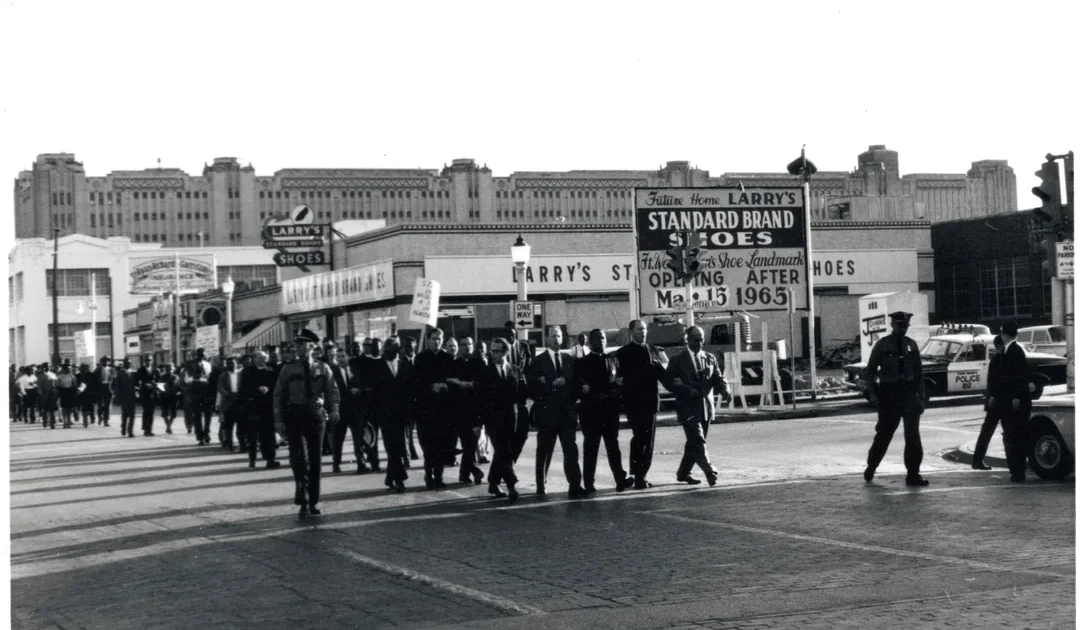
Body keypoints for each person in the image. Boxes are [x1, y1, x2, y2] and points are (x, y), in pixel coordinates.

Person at [273, 329, 340, 517]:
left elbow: (332, 391)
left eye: (302, 344)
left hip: (315, 415)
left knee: (315, 459)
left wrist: (334, 409)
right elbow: (278, 395)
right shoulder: (288, 369)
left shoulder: (322, 368)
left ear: (311, 346)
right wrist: (278, 421)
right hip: (295, 414)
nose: (298, 347)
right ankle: (301, 494)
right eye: (297, 344)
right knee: (298, 457)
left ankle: (313, 501)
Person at [861, 311, 929, 486]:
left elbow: (919, 374)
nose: (902, 329)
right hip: (889, 396)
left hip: (908, 395)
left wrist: (921, 398)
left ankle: (913, 474)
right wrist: (874, 395)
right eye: (900, 325)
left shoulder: (911, 346)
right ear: (892, 325)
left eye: (905, 326)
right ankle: (871, 466)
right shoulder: (882, 346)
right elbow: (869, 373)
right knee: (884, 434)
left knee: (913, 437)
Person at [664, 325, 729, 487]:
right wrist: (686, 390)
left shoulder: (709, 358)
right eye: (695, 340)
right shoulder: (677, 359)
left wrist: (725, 389)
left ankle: (683, 473)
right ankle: (710, 471)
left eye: (701, 340)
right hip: (687, 407)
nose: (699, 343)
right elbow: (668, 382)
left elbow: (718, 378)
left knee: (694, 443)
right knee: (698, 440)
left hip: (705, 407)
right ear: (687, 339)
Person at [527, 325, 585, 498]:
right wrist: (550, 385)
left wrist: (575, 401)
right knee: (544, 450)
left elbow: (575, 385)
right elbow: (532, 387)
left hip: (567, 413)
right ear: (546, 338)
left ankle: (575, 484)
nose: (556, 339)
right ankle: (540, 484)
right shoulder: (538, 361)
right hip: (547, 414)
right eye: (553, 336)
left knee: (571, 450)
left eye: (559, 336)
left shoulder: (569, 360)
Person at [573, 329, 633, 493]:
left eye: (603, 338)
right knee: (591, 448)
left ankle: (620, 479)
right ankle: (589, 482)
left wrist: (615, 391)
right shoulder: (582, 363)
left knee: (613, 446)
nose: (601, 341)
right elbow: (581, 387)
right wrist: (595, 393)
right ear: (590, 342)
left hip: (610, 410)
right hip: (591, 412)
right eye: (598, 338)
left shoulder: (613, 360)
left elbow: (619, 381)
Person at [615, 319, 670, 489]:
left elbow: (664, 376)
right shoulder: (623, 353)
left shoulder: (654, 350)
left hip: (651, 402)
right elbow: (619, 379)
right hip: (634, 402)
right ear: (631, 332)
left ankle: (643, 474)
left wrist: (660, 369)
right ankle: (638, 474)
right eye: (639, 330)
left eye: (644, 329)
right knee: (640, 438)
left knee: (649, 440)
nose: (643, 332)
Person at [483, 337, 526, 503]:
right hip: (493, 420)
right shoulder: (486, 372)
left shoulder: (515, 370)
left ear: (505, 352)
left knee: (505, 452)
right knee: (503, 452)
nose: (492, 354)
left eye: (496, 351)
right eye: (491, 351)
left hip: (512, 418)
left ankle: (493, 482)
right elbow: (482, 399)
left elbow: (522, 394)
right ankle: (511, 485)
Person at [369, 337, 413, 492]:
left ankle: (390, 477)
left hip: (401, 414)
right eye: (390, 349)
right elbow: (373, 393)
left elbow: (409, 389)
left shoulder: (405, 364)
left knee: (398, 446)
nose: (393, 351)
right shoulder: (376, 366)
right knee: (391, 447)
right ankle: (400, 479)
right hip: (385, 415)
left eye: (396, 348)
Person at [413, 328, 454, 489]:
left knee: (442, 444)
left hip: (444, 409)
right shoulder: (421, 358)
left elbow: (453, 380)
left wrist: (446, 385)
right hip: (426, 410)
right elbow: (416, 384)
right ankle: (429, 474)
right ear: (428, 340)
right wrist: (431, 387)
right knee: (429, 445)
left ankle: (439, 475)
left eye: (439, 338)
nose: (436, 341)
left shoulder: (448, 358)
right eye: (433, 338)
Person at [998, 320, 1033, 482]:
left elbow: (1019, 376)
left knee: (1014, 436)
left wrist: (1016, 397)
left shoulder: (1013, 351)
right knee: (1013, 436)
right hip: (1011, 400)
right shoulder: (1012, 350)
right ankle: (1016, 470)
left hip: (1014, 401)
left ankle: (1017, 471)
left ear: (1004, 334)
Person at [450, 336, 486, 485]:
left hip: (474, 412)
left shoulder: (479, 364)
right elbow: (451, 385)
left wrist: (466, 384)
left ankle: (467, 473)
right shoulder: (453, 364)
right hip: (458, 412)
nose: (467, 347)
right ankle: (470, 472)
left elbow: (483, 386)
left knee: (470, 445)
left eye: (469, 344)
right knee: (467, 445)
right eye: (463, 344)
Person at [329, 345, 368, 474]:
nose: (340, 359)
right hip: (340, 410)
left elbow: (363, 385)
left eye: (342, 356)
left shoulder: (356, 370)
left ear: (349, 357)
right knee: (338, 438)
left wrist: (359, 390)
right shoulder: (332, 371)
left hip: (355, 410)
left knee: (358, 438)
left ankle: (361, 463)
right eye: (338, 357)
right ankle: (336, 464)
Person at [239, 350, 281, 470]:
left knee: (268, 435)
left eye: (264, 358)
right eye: (260, 358)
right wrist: (257, 390)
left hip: (267, 407)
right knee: (252, 436)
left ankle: (270, 459)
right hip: (252, 407)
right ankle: (252, 459)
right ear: (254, 359)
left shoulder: (270, 370)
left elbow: (276, 386)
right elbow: (243, 389)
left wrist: (268, 389)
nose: (263, 360)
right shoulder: (247, 371)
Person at [972, 336, 1006, 471]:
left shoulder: (997, 360)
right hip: (997, 401)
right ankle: (977, 460)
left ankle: (977, 460)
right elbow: (992, 382)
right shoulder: (998, 360)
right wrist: (992, 396)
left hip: (996, 401)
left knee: (987, 432)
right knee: (989, 432)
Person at [503, 322, 534, 463]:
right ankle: (508, 464)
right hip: (506, 394)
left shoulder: (523, 347)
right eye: (507, 333)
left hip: (522, 393)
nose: (509, 335)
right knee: (507, 432)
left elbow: (529, 365)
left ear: (516, 333)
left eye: (512, 333)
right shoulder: (500, 349)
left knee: (523, 432)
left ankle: (512, 460)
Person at [181, 349, 214, 444]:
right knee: (197, 415)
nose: (200, 357)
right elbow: (187, 379)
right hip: (195, 389)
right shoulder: (189, 364)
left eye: (202, 355)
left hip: (206, 390)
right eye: (198, 355)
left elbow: (210, 377)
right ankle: (200, 436)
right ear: (195, 355)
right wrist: (194, 378)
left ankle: (207, 432)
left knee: (208, 414)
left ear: (204, 355)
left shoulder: (207, 365)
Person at [216, 356, 242, 450]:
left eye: (233, 363)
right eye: (229, 364)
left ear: (236, 364)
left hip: (239, 401)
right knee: (228, 426)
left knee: (241, 425)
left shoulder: (241, 374)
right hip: (228, 402)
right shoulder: (223, 376)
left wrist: (240, 395)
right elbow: (220, 388)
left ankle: (242, 444)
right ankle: (229, 445)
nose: (231, 365)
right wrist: (229, 395)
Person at [113, 359, 137, 437]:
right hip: (124, 396)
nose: (128, 364)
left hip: (132, 396)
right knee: (125, 414)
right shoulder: (120, 373)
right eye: (126, 363)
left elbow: (136, 384)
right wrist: (117, 397)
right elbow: (117, 386)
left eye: (129, 363)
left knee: (132, 414)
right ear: (124, 364)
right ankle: (123, 427)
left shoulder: (133, 373)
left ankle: (130, 431)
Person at [135, 357, 159, 436]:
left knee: (151, 412)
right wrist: (143, 385)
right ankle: (145, 429)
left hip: (152, 393)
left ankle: (150, 429)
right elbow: (138, 381)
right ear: (144, 362)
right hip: (144, 393)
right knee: (146, 411)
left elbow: (158, 380)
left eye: (149, 360)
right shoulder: (140, 370)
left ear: (152, 361)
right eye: (147, 360)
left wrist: (155, 385)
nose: (148, 362)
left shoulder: (155, 370)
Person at [158, 363, 181, 434]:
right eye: (167, 369)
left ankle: (168, 426)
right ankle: (169, 427)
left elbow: (179, 387)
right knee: (165, 413)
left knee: (173, 414)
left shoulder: (176, 377)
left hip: (173, 397)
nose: (169, 370)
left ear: (173, 369)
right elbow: (160, 387)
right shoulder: (162, 377)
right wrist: (162, 393)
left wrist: (178, 392)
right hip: (164, 396)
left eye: (170, 369)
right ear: (165, 369)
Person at [56, 362, 79, 429]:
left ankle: (68, 420)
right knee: (63, 408)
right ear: (63, 369)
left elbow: (75, 384)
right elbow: (57, 385)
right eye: (65, 368)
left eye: (68, 368)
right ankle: (65, 422)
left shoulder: (72, 376)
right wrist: (59, 388)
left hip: (70, 392)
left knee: (69, 408)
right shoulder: (60, 376)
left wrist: (74, 392)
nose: (67, 370)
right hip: (63, 392)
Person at [38, 363, 59, 430]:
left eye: (46, 367)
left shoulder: (52, 374)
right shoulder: (41, 376)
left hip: (51, 394)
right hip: (45, 394)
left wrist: (55, 393)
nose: (45, 368)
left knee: (50, 410)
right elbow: (39, 387)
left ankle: (51, 423)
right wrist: (41, 394)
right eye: (44, 367)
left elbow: (55, 384)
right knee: (46, 410)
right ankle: (46, 421)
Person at [93, 357, 113, 426]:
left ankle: (106, 421)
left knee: (107, 405)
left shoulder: (110, 369)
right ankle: (100, 417)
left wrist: (112, 389)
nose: (106, 362)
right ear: (101, 362)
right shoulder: (97, 370)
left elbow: (113, 380)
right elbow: (94, 380)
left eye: (107, 361)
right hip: (100, 388)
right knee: (100, 405)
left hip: (107, 387)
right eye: (104, 361)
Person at [76, 363, 96, 428]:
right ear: (80, 369)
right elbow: (76, 384)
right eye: (83, 368)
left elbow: (94, 384)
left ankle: (92, 417)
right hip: (82, 394)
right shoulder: (77, 375)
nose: (84, 370)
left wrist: (94, 391)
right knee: (84, 408)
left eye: (85, 368)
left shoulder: (91, 375)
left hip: (90, 394)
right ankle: (85, 421)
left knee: (91, 407)